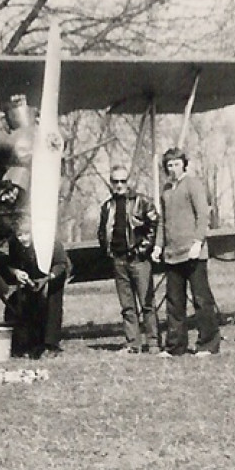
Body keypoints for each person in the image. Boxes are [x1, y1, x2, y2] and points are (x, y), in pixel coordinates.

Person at [156, 147, 221, 357]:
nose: (173, 169)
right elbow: (162, 222)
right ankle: (175, 346)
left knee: (201, 300)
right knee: (174, 302)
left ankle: (208, 344)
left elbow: (203, 215)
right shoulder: (166, 190)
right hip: (172, 255)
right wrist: (158, 245)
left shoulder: (193, 185)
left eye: (176, 164)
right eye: (169, 165)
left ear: (184, 164)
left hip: (193, 254)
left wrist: (197, 242)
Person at [96, 164, 160, 353]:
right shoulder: (107, 206)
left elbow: (154, 225)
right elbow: (102, 232)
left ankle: (154, 342)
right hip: (118, 260)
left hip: (139, 260)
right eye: (115, 181)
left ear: (129, 181)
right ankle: (133, 344)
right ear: (111, 182)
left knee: (147, 303)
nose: (119, 185)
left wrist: (142, 249)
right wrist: (108, 250)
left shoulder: (143, 202)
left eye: (123, 181)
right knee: (127, 306)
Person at [2, 222, 70, 358]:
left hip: (53, 276)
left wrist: (47, 279)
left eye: (26, 234)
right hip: (32, 278)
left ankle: (51, 345)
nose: (23, 239)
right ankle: (32, 344)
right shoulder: (15, 244)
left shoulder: (50, 242)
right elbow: (12, 264)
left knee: (52, 306)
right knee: (29, 306)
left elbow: (61, 264)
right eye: (19, 235)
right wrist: (17, 272)